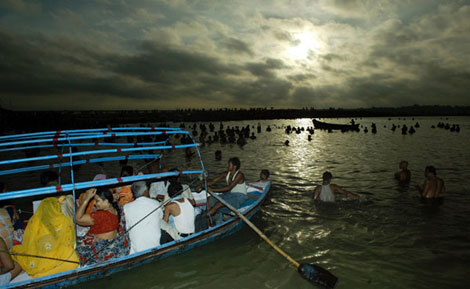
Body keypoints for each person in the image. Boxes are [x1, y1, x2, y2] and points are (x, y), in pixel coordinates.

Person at [12, 198, 79, 278]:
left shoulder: (34, 221)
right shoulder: (63, 219)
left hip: (40, 262)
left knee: (16, 251)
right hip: (65, 261)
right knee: (72, 259)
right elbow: (71, 241)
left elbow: (30, 242)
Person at [76, 188, 129, 265]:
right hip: (113, 244)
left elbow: (78, 219)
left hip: (103, 250)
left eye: (97, 201)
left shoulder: (101, 216)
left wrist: (86, 200)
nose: (94, 203)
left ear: (106, 201)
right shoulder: (116, 208)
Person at [199, 157, 248, 224]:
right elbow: (213, 181)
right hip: (230, 194)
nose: (227, 166)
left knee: (219, 203)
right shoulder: (226, 173)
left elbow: (229, 187)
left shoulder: (240, 175)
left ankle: (204, 218)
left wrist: (212, 189)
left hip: (240, 197)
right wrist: (201, 185)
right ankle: (208, 223)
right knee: (209, 199)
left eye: (229, 165)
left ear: (234, 167)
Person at [123, 181, 163, 254]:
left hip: (136, 250)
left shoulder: (126, 207)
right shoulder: (155, 203)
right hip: (155, 246)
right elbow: (161, 218)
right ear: (145, 192)